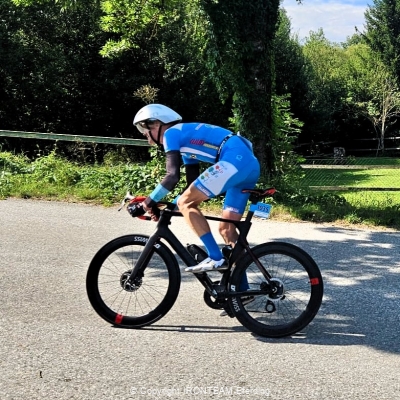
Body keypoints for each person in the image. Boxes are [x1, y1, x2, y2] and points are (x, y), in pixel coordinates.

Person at [133, 103, 260, 273]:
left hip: (234, 160)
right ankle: (238, 286)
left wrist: (146, 204)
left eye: (144, 130)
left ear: (157, 124)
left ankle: (216, 257)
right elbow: (190, 187)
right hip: (248, 164)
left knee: (186, 203)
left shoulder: (170, 133)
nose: (144, 135)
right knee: (227, 230)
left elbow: (171, 177)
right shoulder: (185, 142)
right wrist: (168, 206)